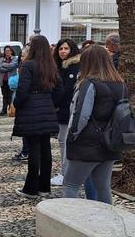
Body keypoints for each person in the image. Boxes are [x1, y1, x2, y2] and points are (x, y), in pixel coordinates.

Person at [63, 45, 124, 204]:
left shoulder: (89, 83)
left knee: (70, 184)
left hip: (87, 142)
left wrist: (72, 136)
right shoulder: (120, 83)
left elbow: (82, 115)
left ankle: (68, 224)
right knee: (102, 186)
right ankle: (107, 223)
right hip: (110, 140)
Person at [13, 35, 64, 199]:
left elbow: (22, 90)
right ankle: (44, 187)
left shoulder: (28, 65)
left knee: (34, 149)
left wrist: (17, 104)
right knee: (46, 148)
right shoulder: (51, 66)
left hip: (31, 109)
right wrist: (50, 103)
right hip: (47, 108)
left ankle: (31, 188)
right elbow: (59, 90)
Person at [51, 38, 81, 186]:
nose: (63, 51)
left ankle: (65, 174)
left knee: (64, 142)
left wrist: (54, 103)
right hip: (62, 110)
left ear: (72, 50)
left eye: (66, 48)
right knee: (63, 141)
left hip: (68, 110)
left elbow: (66, 90)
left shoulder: (74, 66)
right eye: (61, 48)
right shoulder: (60, 66)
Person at [0, 45, 18, 116]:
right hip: (3, 80)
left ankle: (11, 110)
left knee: (11, 96)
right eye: (6, 51)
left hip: (11, 81)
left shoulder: (14, 58)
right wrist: (7, 67)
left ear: (11, 51)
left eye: (8, 51)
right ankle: (4, 110)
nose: (7, 52)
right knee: (4, 95)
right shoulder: (1, 58)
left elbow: (13, 66)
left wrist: (3, 64)